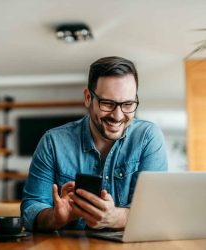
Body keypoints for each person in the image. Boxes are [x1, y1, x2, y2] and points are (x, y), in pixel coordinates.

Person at [21, 56, 168, 232]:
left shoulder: (148, 137)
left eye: (128, 104)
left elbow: (156, 212)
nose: (118, 116)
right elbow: (30, 210)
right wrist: (56, 217)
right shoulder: (52, 142)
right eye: (108, 103)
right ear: (88, 98)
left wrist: (115, 218)